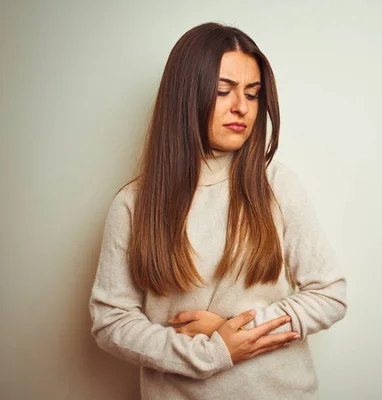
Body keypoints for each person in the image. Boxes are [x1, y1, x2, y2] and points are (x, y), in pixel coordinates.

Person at [89, 22, 347, 399]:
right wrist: (213, 352)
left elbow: (330, 294)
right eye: (223, 90)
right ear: (185, 95)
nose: (241, 107)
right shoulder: (133, 203)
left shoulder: (276, 184)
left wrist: (235, 331)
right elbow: (111, 322)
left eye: (253, 94)